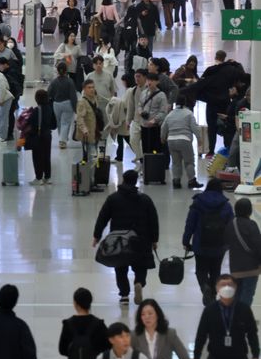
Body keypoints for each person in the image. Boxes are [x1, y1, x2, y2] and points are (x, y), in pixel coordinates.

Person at [93, 169, 159, 305]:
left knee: (120, 266)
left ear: (123, 180)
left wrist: (97, 235)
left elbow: (102, 218)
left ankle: (124, 295)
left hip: (119, 240)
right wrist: (154, 239)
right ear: (135, 182)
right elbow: (153, 221)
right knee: (141, 266)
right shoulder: (145, 199)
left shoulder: (113, 199)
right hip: (140, 239)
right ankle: (139, 282)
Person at [183, 178, 234, 305]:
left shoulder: (198, 203)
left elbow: (190, 223)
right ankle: (212, 295)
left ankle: (205, 287)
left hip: (201, 244)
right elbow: (231, 226)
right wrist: (230, 244)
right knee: (215, 271)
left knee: (201, 270)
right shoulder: (226, 205)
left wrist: (186, 240)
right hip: (219, 246)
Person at [187, 51, 247, 154]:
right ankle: (227, 149)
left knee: (212, 128)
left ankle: (211, 151)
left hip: (211, 103)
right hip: (225, 103)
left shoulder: (211, 70)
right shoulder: (230, 69)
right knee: (225, 126)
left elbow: (202, 83)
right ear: (225, 57)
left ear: (216, 57)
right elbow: (240, 77)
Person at [58, 287, 109, 359]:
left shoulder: (68, 324)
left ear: (75, 303)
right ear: (90, 303)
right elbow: (108, 347)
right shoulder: (99, 325)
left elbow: (62, 349)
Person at [160, 94, 203, 189]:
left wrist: (162, 138)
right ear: (185, 103)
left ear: (176, 103)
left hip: (171, 140)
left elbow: (163, 127)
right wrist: (199, 139)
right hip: (184, 140)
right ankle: (191, 181)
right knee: (189, 162)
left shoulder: (170, 114)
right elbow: (195, 128)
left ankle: (176, 181)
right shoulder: (188, 113)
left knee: (176, 162)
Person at [225, 199, 261, 308]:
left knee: (237, 294)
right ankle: (242, 315)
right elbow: (258, 245)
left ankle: (235, 314)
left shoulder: (231, 224)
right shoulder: (252, 225)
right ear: (249, 210)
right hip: (251, 268)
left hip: (235, 268)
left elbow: (226, 242)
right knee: (247, 295)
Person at [25, 88, 55, 185]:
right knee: (47, 156)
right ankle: (47, 177)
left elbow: (31, 125)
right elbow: (54, 124)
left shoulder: (36, 110)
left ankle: (38, 178)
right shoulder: (50, 108)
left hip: (38, 136)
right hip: (48, 135)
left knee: (37, 157)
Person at [74, 79, 103, 180]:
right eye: (89, 87)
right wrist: (84, 130)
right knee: (92, 158)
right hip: (87, 135)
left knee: (93, 158)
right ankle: (90, 181)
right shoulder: (82, 102)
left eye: (93, 87)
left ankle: (91, 179)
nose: (91, 89)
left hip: (95, 133)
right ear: (84, 89)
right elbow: (79, 118)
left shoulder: (95, 100)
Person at [47, 61, 77, 150]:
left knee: (59, 123)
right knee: (65, 123)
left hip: (56, 104)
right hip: (67, 104)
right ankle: (62, 140)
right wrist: (75, 107)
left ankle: (62, 139)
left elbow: (49, 93)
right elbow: (73, 96)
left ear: (57, 70)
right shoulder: (70, 81)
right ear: (66, 70)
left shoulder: (54, 82)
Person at [137, 72, 168, 155]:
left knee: (155, 149)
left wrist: (154, 120)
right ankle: (146, 162)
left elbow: (163, 112)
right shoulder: (144, 93)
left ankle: (155, 162)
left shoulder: (161, 95)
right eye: (148, 80)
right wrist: (140, 112)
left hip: (155, 127)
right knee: (145, 147)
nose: (149, 82)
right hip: (144, 125)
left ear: (157, 82)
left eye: (152, 80)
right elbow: (139, 105)